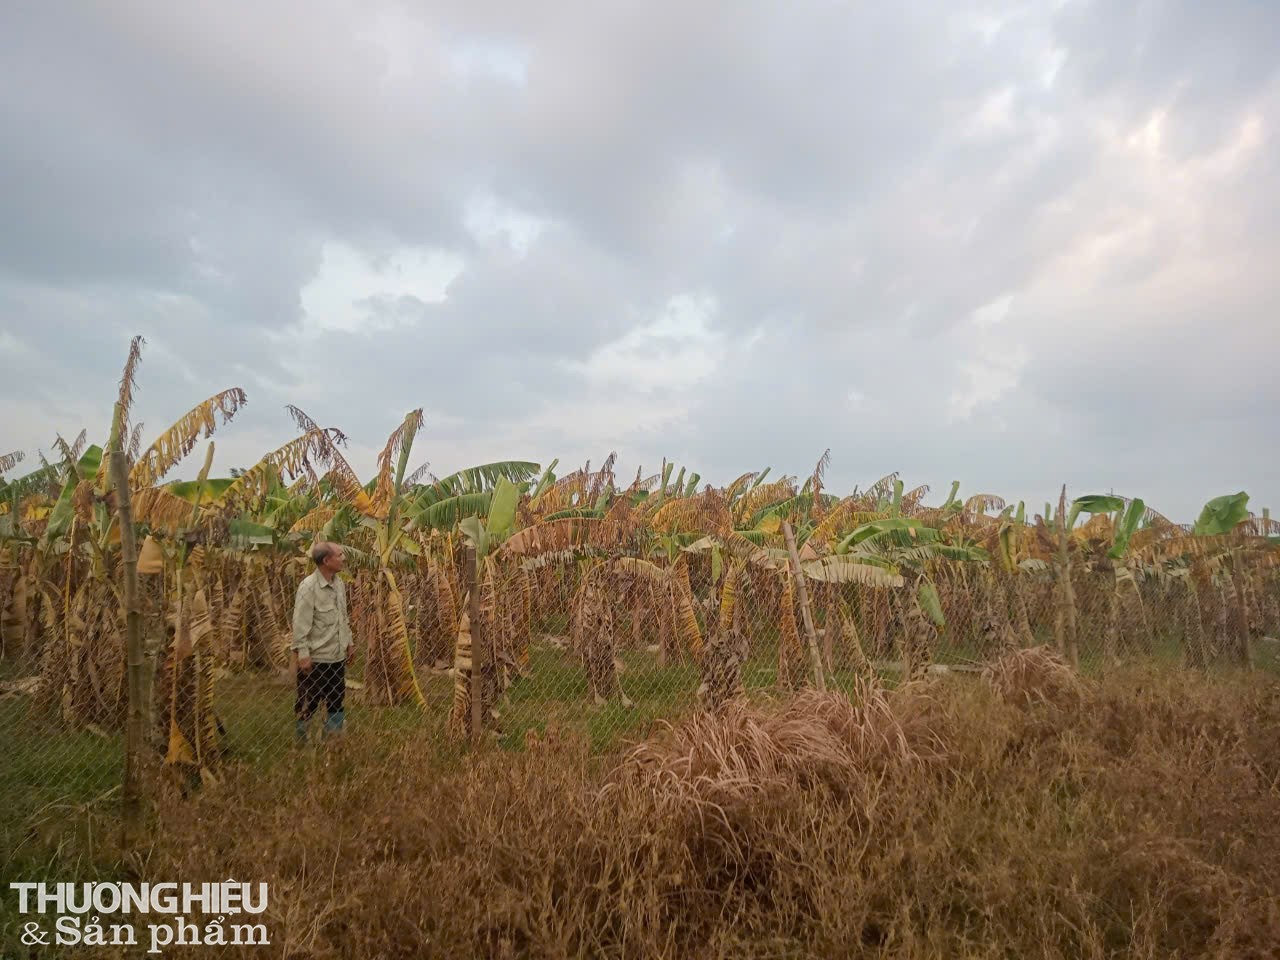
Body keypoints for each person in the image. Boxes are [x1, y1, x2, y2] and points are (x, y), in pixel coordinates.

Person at [291, 540, 354, 742]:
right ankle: (303, 739)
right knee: (308, 701)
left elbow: (342, 617)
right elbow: (300, 623)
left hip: (336, 657)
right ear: (326, 560)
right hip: (316, 659)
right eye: (340, 555)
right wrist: (303, 654)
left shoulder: (339, 584)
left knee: (336, 700)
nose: (343, 558)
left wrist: (349, 643)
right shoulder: (308, 587)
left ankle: (333, 738)